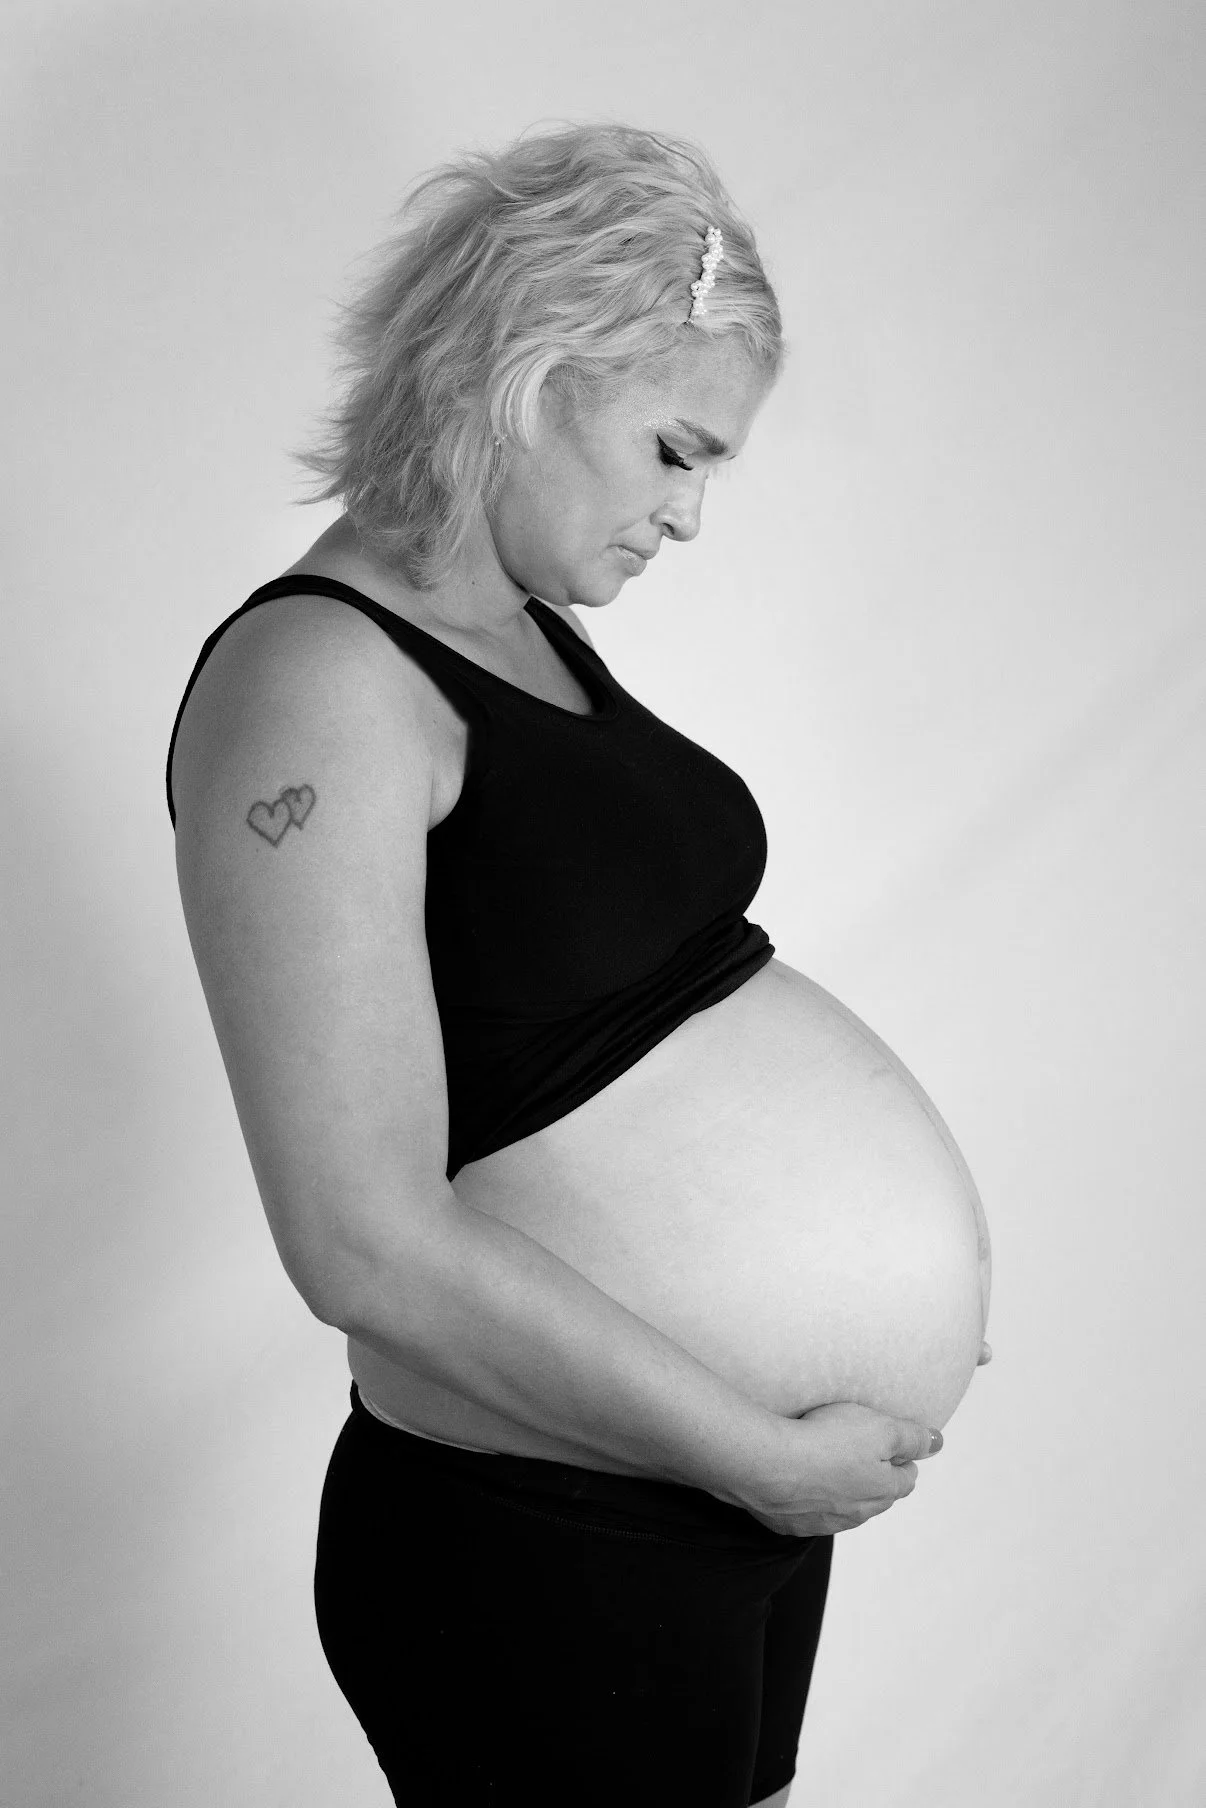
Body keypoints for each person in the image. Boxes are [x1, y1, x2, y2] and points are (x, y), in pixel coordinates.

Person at [166, 121, 990, 1808]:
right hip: (546, 1535)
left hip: (691, 1505)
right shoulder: (314, 686)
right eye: (673, 450)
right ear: (534, 371)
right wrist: (751, 1452)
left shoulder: (526, 638)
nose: (684, 518)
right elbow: (359, 1241)